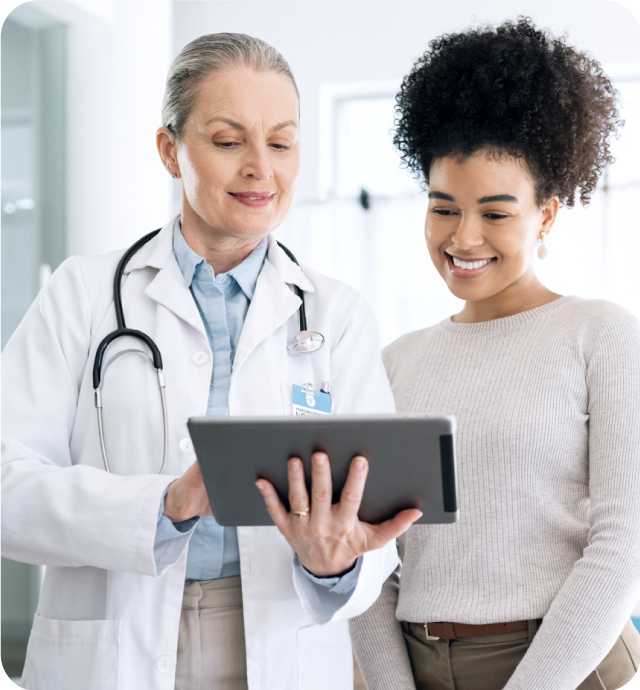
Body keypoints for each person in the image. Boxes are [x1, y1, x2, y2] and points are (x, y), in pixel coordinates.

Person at [0, 33, 419, 690]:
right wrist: (166, 502)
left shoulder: (336, 315)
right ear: (171, 150)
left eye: (281, 143)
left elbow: (374, 522)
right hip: (118, 637)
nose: (261, 167)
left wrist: (332, 564)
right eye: (228, 142)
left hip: (277, 640)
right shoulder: (82, 295)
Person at [350, 17, 640, 690]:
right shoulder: (395, 361)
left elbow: (623, 547)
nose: (464, 237)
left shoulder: (601, 335)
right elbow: (367, 557)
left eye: (497, 213)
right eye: (443, 207)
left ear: (547, 214)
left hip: (569, 667)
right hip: (418, 665)